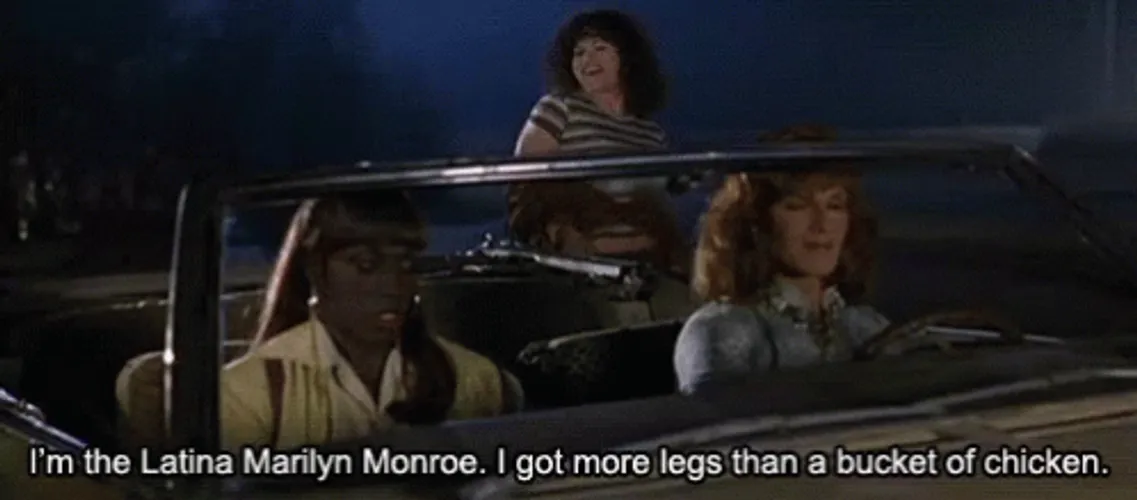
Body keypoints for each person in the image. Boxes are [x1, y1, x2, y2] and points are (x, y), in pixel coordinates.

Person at [218, 191, 524, 450]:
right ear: (314, 269)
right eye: (366, 265)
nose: (393, 285)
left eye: (406, 264)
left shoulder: (475, 380)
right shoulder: (249, 396)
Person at [672, 125, 890, 394]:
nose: (822, 224)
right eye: (797, 205)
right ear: (757, 222)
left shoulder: (866, 327)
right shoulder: (722, 331)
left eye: (835, 206)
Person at [514, 9, 671, 197]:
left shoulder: (652, 133)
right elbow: (524, 183)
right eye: (579, 53)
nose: (587, 60)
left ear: (628, 58)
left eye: (600, 48)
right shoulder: (558, 108)